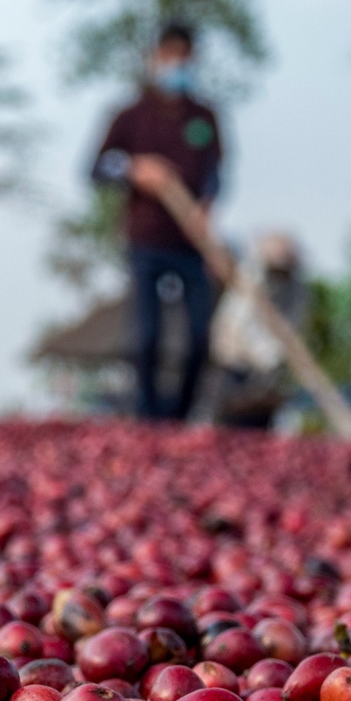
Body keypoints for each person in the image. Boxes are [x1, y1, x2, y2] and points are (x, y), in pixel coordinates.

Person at [91, 21, 223, 420]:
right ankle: (147, 418)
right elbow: (97, 167)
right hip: (146, 240)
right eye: (169, 56)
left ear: (193, 59)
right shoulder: (131, 116)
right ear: (155, 58)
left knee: (201, 336)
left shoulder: (204, 118)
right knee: (146, 336)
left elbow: (217, 171)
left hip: (190, 242)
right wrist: (133, 169)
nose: (176, 64)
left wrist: (208, 202)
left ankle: (180, 416)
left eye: (183, 57)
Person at [209, 233, 308, 429]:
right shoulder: (250, 280)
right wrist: (263, 354)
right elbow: (238, 324)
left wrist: (276, 354)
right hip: (237, 362)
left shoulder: (298, 290)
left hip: (269, 368)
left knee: (262, 424)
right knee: (233, 422)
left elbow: (293, 325)